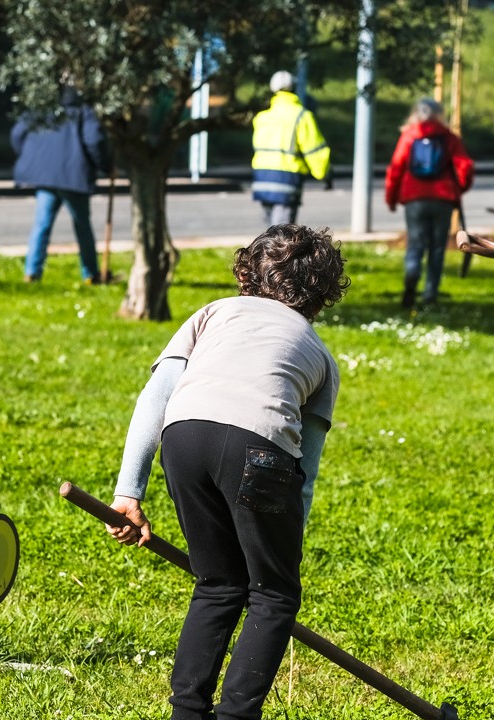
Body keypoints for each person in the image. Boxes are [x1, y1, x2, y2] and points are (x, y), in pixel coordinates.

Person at [106, 224, 349, 720]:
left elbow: (155, 397)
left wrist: (129, 491)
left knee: (217, 583)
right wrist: (285, 541)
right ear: (322, 294)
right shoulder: (320, 355)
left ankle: (187, 712)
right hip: (260, 450)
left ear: (247, 273)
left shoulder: (212, 313)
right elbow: (305, 466)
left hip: (184, 437)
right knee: (274, 593)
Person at [11, 86, 108, 283]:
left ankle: (32, 272)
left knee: (41, 225)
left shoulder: (41, 106)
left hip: (45, 175)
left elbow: (17, 134)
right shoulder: (83, 110)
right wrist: (106, 166)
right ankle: (90, 274)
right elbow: (94, 140)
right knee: (82, 226)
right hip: (73, 176)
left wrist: (31, 155)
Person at [384, 97, 474, 309]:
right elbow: (465, 167)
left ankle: (411, 276)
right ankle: (430, 293)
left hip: (414, 198)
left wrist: (391, 198)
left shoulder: (409, 136)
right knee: (437, 248)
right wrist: (459, 189)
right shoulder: (449, 137)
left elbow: (396, 168)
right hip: (443, 199)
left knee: (415, 243)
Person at [251, 71, 331, 225]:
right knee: (283, 232)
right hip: (287, 179)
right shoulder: (301, 116)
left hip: (261, 178)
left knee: (270, 229)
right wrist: (324, 174)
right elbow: (314, 151)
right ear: (294, 88)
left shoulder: (262, 117)